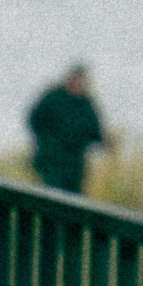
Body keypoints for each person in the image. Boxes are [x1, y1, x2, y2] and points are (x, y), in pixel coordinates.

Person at [28, 64, 104, 195]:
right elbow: (35, 119)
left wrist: (105, 140)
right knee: (50, 195)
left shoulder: (86, 105)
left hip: (74, 167)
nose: (77, 84)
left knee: (72, 198)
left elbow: (95, 132)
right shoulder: (53, 98)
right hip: (51, 161)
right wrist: (46, 141)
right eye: (75, 80)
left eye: (81, 82)